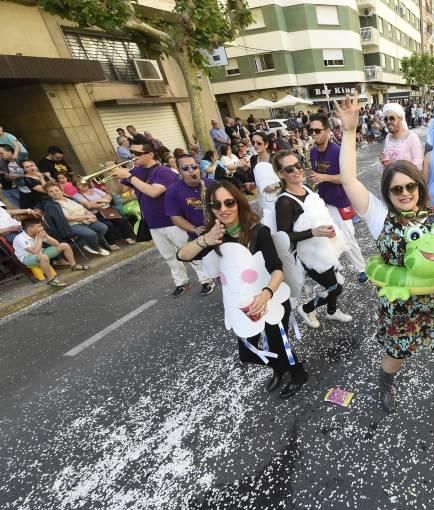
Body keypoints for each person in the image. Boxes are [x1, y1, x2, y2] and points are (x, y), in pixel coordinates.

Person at [336, 95, 434, 413]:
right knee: (395, 355)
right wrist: (349, 131)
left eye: (411, 186)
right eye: (397, 189)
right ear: (388, 193)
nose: (405, 193)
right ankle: (385, 388)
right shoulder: (379, 216)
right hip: (401, 303)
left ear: (420, 187)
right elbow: (347, 179)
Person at [177, 181, 308, 399]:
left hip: (270, 298)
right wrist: (204, 240)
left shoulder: (258, 232)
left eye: (229, 202)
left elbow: (277, 269)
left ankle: (297, 373)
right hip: (241, 303)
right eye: (216, 205)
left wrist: (265, 294)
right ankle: (281, 367)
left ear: (238, 202)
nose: (223, 209)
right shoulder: (214, 235)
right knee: (247, 352)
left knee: (278, 344)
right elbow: (182, 256)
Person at [111, 142, 205, 298]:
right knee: (169, 256)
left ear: (150, 154)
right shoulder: (136, 171)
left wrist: (129, 176)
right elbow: (118, 191)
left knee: (189, 251)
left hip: (172, 221)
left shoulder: (164, 172)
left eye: (137, 153)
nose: (133, 156)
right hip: (153, 223)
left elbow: (153, 192)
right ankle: (181, 282)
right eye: (132, 152)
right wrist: (113, 176)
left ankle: (206, 279)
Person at [274, 150, 352, 327]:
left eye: (298, 165)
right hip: (308, 257)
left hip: (324, 248)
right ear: (281, 174)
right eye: (289, 168)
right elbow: (283, 237)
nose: (296, 170)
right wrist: (313, 232)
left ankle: (332, 312)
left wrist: (329, 231)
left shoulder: (307, 188)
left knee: (336, 281)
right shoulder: (285, 202)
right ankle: (307, 309)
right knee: (335, 287)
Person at [307, 113, 368, 284]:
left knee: (348, 237)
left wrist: (323, 177)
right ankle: (334, 266)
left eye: (317, 131)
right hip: (322, 201)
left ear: (327, 130)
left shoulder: (338, 151)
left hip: (340, 201)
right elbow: (315, 176)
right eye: (311, 131)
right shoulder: (311, 153)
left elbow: (347, 177)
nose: (313, 134)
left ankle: (361, 268)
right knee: (326, 238)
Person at [164, 154, 218, 296]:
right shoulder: (173, 190)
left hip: (219, 231)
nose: (191, 171)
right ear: (179, 171)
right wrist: (194, 228)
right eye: (185, 168)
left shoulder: (212, 185)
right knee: (203, 263)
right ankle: (208, 280)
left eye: (194, 167)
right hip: (198, 234)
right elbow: (175, 217)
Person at [13, 218, 87, 286]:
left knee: (64, 245)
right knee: (43, 257)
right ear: (30, 228)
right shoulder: (20, 238)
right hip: (27, 258)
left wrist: (46, 236)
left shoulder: (38, 234)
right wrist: (40, 239)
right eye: (39, 226)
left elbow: (56, 244)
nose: (42, 228)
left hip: (40, 253)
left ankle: (74, 266)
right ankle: (51, 280)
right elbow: (34, 252)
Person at [45, 182, 111, 255]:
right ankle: (97, 248)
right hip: (73, 224)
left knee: (103, 228)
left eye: (56, 190)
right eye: (51, 191)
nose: (54, 193)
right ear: (48, 194)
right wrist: (86, 216)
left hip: (86, 220)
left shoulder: (70, 198)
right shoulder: (53, 205)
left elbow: (83, 208)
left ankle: (86, 243)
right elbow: (68, 218)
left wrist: (91, 215)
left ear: (61, 191)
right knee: (91, 234)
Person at [71, 179, 136, 245]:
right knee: (108, 224)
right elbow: (89, 206)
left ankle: (127, 237)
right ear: (75, 186)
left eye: (83, 182)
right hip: (96, 214)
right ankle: (111, 243)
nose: (83, 184)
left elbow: (109, 197)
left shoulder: (95, 189)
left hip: (108, 209)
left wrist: (96, 202)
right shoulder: (77, 196)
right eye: (79, 184)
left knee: (122, 220)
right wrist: (102, 200)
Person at [379, 102, 423, 170]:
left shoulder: (412, 137)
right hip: (390, 179)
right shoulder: (388, 137)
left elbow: (418, 164)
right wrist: (383, 161)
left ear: (401, 118)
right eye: (385, 119)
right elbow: (386, 161)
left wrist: (396, 168)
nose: (388, 121)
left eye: (392, 118)